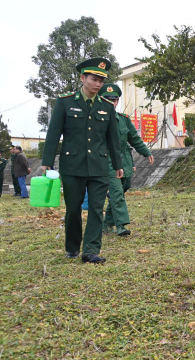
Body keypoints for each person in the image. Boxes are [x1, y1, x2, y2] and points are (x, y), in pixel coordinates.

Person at [40, 57, 123, 264]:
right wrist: (47, 161)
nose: (98, 84)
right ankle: (72, 247)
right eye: (94, 79)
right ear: (82, 78)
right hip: (72, 165)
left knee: (96, 208)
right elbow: (53, 134)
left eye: (101, 81)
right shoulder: (65, 101)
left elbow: (113, 139)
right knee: (74, 208)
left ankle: (90, 251)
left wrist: (118, 164)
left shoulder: (107, 106)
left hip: (99, 165)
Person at [99, 84, 154, 236]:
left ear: (117, 102)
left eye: (115, 100)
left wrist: (146, 152)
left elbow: (134, 138)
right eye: (107, 100)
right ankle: (121, 225)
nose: (112, 103)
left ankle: (106, 223)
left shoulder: (123, 120)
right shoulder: (96, 120)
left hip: (125, 161)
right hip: (107, 162)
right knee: (116, 193)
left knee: (123, 188)